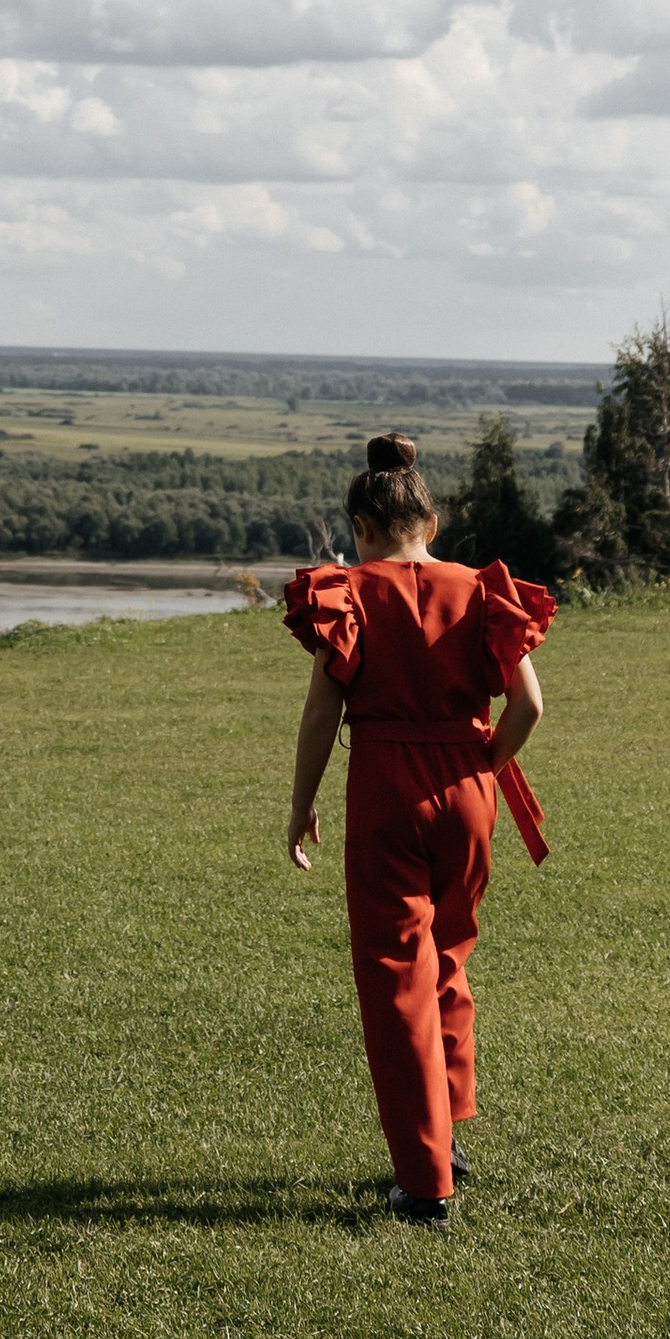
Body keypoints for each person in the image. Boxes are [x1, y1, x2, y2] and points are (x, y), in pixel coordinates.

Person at [283, 431, 555, 1225]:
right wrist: (482, 764)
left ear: (363, 530)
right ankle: (451, 1132)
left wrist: (301, 805)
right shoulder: (480, 589)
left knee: (394, 977)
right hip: (469, 787)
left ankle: (424, 1181)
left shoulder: (352, 593)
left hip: (386, 788)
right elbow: (529, 706)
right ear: (431, 525)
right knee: (446, 961)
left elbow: (319, 712)